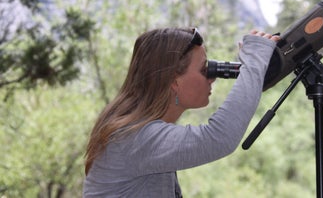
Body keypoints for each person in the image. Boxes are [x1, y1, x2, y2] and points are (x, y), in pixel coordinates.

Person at [83, 27, 279, 197]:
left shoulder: (137, 131)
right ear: (174, 81)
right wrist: (254, 63)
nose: (212, 78)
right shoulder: (134, 137)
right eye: (205, 70)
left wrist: (254, 68)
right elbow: (219, 138)